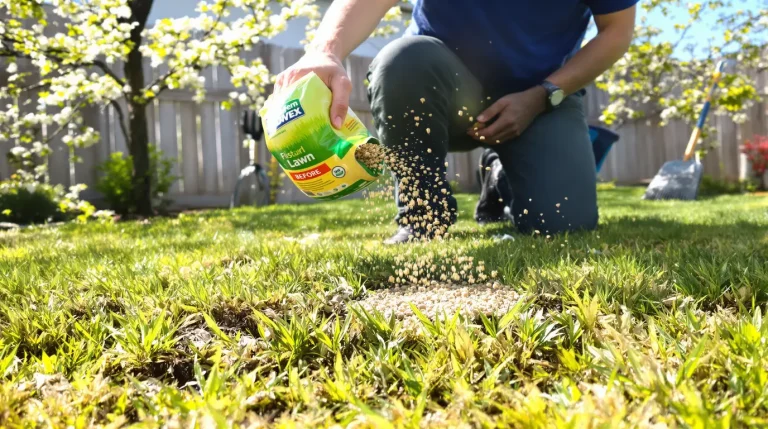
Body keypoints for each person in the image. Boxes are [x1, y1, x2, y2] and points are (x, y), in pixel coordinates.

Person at [274, 0, 637, 244]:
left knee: (564, 227)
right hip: (441, 87)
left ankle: (500, 176)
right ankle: (423, 217)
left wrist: (542, 96)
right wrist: (325, 51)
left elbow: (617, 31)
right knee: (401, 60)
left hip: (542, 94)